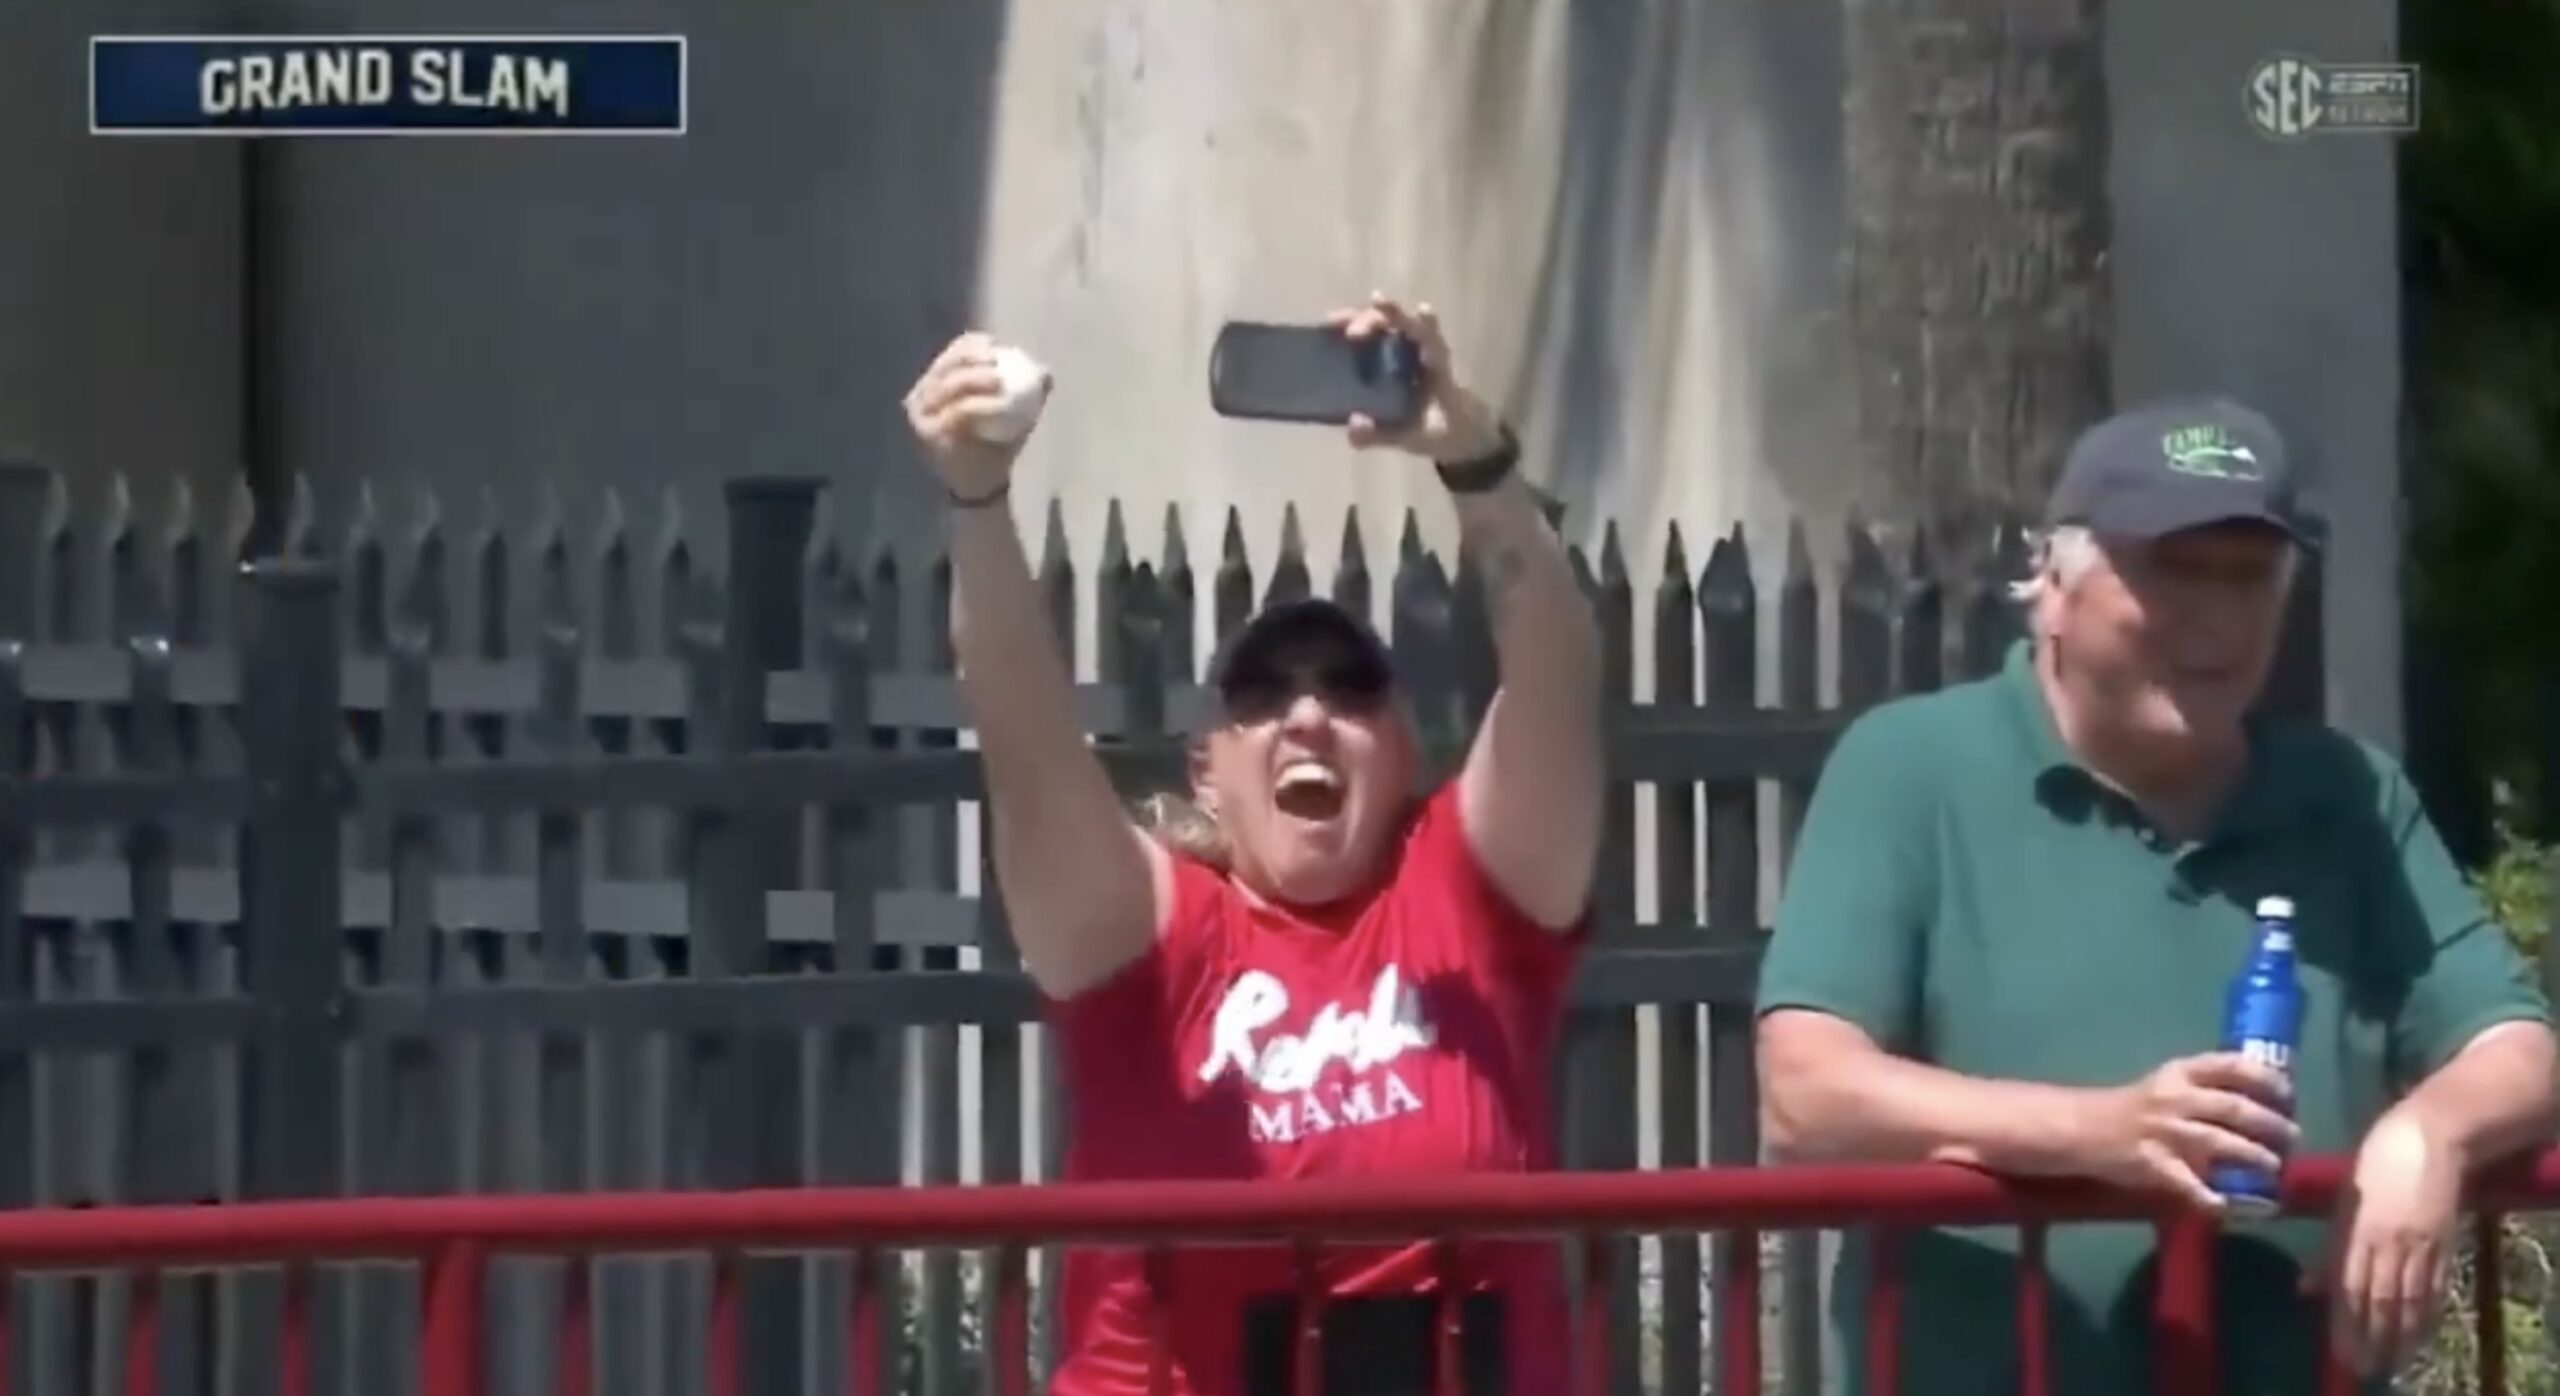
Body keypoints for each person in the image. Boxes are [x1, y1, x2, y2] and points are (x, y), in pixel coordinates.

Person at [1754, 396, 2558, 1396]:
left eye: (2248, 577)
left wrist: (2429, 1131)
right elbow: (1807, 1089)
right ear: (2053, 587)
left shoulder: (2348, 792)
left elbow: (2515, 1046)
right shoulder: (1912, 766)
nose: (2216, 618)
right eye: (2173, 570)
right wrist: (2102, 1132)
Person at [901, 294, 1604, 1396]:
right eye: (1263, 696)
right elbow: (1026, 744)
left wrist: (1469, 454)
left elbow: (1559, 681)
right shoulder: (1160, 936)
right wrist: (976, 501)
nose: (1308, 715)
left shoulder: (1467, 894)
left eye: (1350, 688)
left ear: (1407, 754)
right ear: (1207, 772)